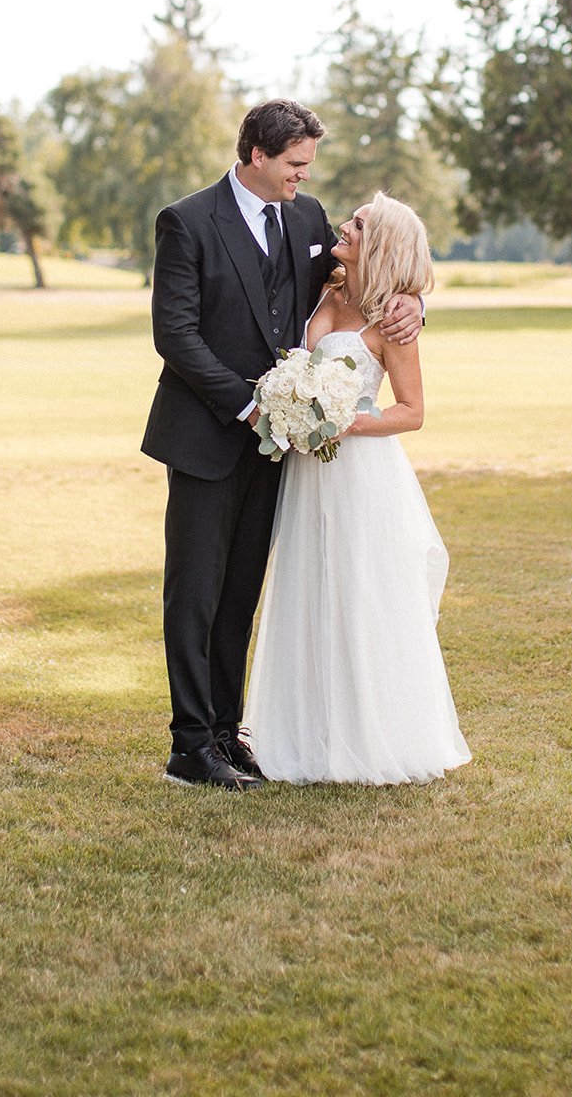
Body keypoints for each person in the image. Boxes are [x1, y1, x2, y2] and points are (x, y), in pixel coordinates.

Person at [142, 101, 423, 790]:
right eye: (295, 164)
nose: (304, 177)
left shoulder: (305, 216)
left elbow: (370, 272)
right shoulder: (187, 221)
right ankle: (188, 746)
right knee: (196, 591)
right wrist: (249, 407)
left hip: (283, 450)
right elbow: (175, 335)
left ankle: (224, 732)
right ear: (257, 157)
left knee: (242, 591)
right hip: (208, 433)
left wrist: (414, 303)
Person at [243, 192, 472, 784]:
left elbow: (413, 411)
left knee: (360, 593)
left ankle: (371, 737)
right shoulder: (328, 284)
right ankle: (299, 737)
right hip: (308, 468)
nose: (343, 225)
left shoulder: (393, 319)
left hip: (360, 472)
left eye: (359, 224)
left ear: (385, 244)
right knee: (307, 586)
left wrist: (346, 420)